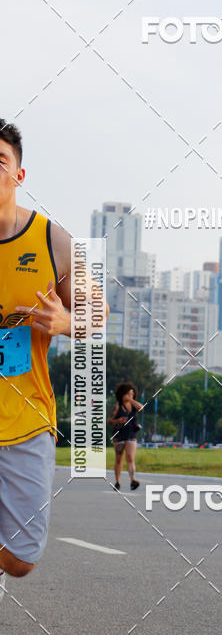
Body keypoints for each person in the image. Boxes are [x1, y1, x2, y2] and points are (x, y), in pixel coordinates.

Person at [0, 119, 107, 603]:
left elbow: (98, 312)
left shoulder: (51, 239)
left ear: (19, 175)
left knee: (21, 558)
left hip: (27, 414)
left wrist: (66, 323)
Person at [108, 382, 142, 491]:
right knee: (119, 459)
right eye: (128, 394)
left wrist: (131, 400)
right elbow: (109, 421)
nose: (130, 396)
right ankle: (117, 482)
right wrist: (118, 420)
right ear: (122, 394)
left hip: (131, 434)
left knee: (130, 458)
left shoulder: (133, 405)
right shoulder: (118, 406)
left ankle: (133, 480)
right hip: (119, 435)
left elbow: (141, 407)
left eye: (132, 394)